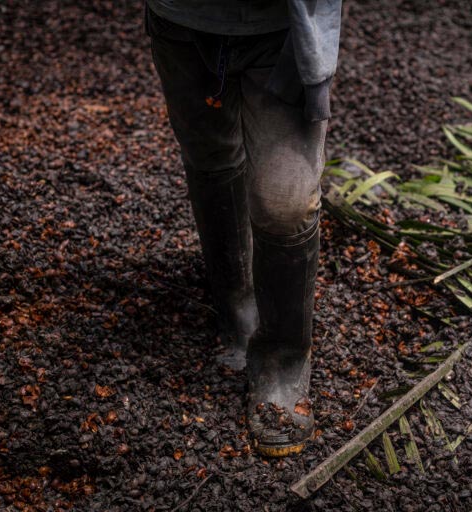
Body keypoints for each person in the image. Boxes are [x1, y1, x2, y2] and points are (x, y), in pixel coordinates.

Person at [144, 0, 342, 457]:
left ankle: (283, 356)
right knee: (210, 156)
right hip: (181, 20)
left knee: (285, 202)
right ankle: (235, 303)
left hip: (284, 28)